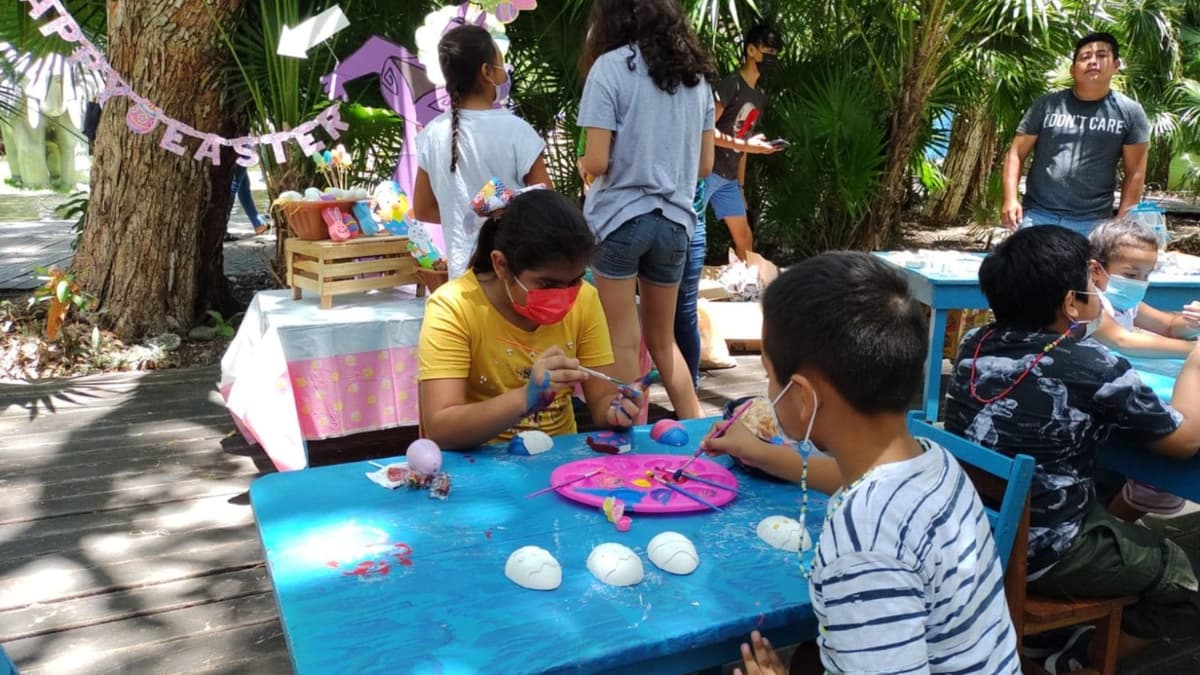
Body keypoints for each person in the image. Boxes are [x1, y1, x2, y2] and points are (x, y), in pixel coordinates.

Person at [709, 252, 1019, 674]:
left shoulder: (863, 545)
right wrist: (757, 451)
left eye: (769, 373)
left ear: (803, 396)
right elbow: (843, 479)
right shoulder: (933, 463)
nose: (769, 387)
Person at [944, 226, 1200, 673]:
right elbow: (1185, 440)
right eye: (1092, 281)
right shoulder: (1089, 364)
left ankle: (1051, 638)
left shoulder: (975, 343)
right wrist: (1196, 362)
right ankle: (1078, 662)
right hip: (1045, 546)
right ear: (1070, 303)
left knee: (1105, 491)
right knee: (1181, 578)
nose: (1100, 288)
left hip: (978, 522)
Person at [577, 0, 716, 421]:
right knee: (663, 340)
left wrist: (586, 167)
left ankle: (629, 435)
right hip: (675, 223)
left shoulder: (610, 68)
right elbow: (705, 167)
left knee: (621, 339)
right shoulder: (697, 81)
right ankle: (700, 432)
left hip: (619, 219)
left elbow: (597, 161)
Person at [417, 189, 641, 449]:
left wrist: (616, 411)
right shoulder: (454, 307)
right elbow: (440, 428)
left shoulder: (585, 299)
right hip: (478, 464)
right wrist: (525, 399)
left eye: (575, 281)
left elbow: (602, 399)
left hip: (559, 461)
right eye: (547, 284)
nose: (564, 295)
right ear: (501, 265)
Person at [413, 23, 552, 280]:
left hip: (461, 276)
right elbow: (546, 202)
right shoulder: (517, 130)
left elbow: (422, 208)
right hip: (514, 274)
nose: (504, 68)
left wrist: (464, 218)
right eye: (500, 60)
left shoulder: (431, 134)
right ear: (487, 72)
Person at [1088, 218, 1200, 520]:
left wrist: (1192, 325)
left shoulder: (1127, 303)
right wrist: (1194, 351)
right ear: (1095, 269)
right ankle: (1133, 502)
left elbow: (1168, 325)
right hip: (1101, 398)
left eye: (1147, 274)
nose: (1140, 282)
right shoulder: (1089, 302)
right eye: (1131, 274)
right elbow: (1125, 340)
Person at [1001, 32, 1149, 235]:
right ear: (1072, 69)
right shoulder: (1046, 105)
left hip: (1093, 221)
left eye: (1101, 55)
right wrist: (1010, 198)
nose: (1093, 62)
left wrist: (1122, 221)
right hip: (1037, 216)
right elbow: (1016, 153)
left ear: (1116, 65)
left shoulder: (1130, 112)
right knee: (1031, 267)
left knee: (1084, 268)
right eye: (1085, 57)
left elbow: (1135, 172)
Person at [703, 22, 783, 262]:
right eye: (768, 51)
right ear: (751, 50)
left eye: (775, 54)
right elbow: (705, 132)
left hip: (728, 180)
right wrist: (749, 146)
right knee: (689, 235)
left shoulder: (758, 96)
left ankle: (746, 290)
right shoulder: (731, 85)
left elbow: (743, 142)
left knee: (745, 237)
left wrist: (740, 185)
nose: (772, 58)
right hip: (707, 172)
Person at [229, 165, 270, 237]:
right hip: (239, 154)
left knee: (243, 185)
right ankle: (221, 226)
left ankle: (258, 224)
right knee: (235, 184)